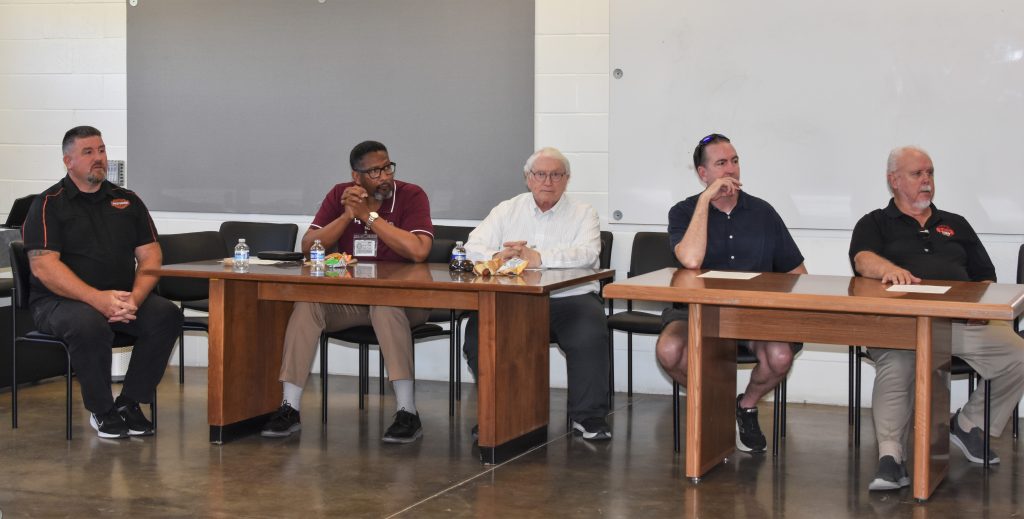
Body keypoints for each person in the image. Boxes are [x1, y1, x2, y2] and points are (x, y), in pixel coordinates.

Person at [850, 145, 1024, 491]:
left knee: (1018, 354)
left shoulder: (955, 223)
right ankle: (891, 457)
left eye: (929, 172)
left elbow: (985, 276)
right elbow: (862, 260)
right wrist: (889, 270)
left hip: (958, 322)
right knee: (897, 362)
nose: (926, 180)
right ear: (894, 181)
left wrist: (979, 308)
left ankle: (970, 425)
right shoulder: (875, 222)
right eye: (917, 174)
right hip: (901, 325)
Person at [262, 140, 434, 443]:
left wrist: (369, 217)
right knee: (307, 305)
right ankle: (289, 407)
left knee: (385, 304)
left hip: (407, 302)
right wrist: (346, 216)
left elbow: (419, 251)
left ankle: (407, 411)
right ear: (357, 177)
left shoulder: (412, 195)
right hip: (353, 303)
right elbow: (309, 247)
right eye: (375, 172)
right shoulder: (340, 195)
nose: (384, 176)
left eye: (388, 168)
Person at [21, 126, 181, 439]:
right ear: (68, 161)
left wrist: (134, 299)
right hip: (59, 303)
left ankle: (129, 402)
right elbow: (44, 267)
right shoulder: (48, 204)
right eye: (88, 152)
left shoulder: (127, 201)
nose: (98, 158)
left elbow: (151, 258)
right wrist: (97, 299)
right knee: (89, 324)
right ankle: (102, 410)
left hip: (119, 298)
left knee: (166, 315)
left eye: (102, 150)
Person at [656, 133, 807, 453]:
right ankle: (720, 404)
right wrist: (704, 202)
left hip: (754, 315)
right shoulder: (682, 212)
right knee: (669, 350)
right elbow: (691, 259)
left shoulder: (763, 212)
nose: (731, 169)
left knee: (780, 356)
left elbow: (797, 273)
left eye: (735, 161)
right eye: (721, 163)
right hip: (696, 312)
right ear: (703, 173)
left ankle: (745, 406)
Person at [462, 147, 612, 440]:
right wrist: (498, 255)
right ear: (528, 178)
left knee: (589, 334)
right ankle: (498, 413)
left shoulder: (584, 213)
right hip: (513, 300)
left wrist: (538, 257)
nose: (548, 181)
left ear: (567, 179)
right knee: (479, 334)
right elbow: (472, 247)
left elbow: (588, 254)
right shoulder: (506, 209)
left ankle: (589, 417)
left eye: (556, 175)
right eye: (540, 174)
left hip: (570, 299)